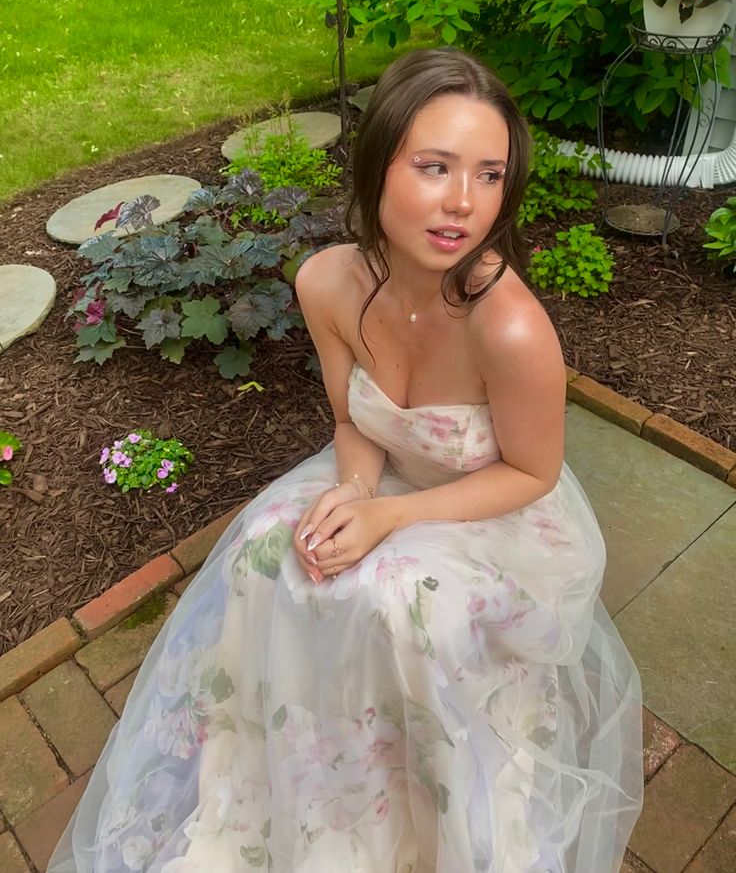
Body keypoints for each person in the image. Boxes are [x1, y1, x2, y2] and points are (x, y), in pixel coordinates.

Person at [48, 48, 643, 873]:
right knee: (268, 550)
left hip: (497, 514)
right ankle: (300, 781)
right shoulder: (326, 282)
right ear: (377, 162)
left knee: (402, 604)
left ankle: (423, 822)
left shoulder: (508, 327)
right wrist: (355, 488)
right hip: (387, 482)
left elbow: (532, 474)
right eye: (434, 167)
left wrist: (389, 514)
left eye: (490, 174)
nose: (463, 203)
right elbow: (352, 418)